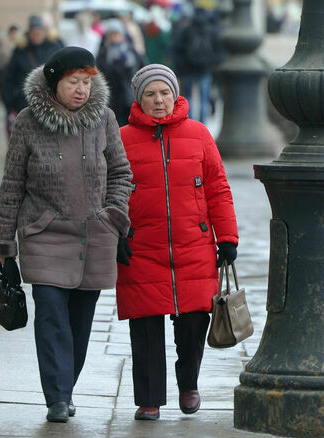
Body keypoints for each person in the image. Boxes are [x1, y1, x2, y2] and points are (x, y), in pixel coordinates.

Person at [0, 46, 133, 423]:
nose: (82, 89)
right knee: (51, 315)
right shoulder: (27, 121)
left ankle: (64, 388)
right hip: (44, 232)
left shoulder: (104, 119)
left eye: (87, 82)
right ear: (55, 82)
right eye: (74, 82)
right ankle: (57, 397)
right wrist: (3, 245)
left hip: (94, 235)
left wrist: (114, 215)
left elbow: (121, 173)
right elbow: (11, 185)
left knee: (80, 323)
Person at [116, 64, 239, 421]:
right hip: (141, 248)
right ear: (139, 98)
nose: (158, 100)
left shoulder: (199, 134)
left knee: (193, 325)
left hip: (194, 246)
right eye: (151, 94)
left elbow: (218, 188)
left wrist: (227, 237)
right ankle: (150, 399)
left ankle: (188, 382)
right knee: (145, 326)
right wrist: (116, 232)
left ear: (175, 95)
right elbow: (111, 191)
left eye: (164, 93)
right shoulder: (122, 138)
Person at [2, 15, 62, 138]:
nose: (36, 36)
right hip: (24, 103)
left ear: (45, 32)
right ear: (28, 33)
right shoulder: (20, 50)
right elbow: (9, 78)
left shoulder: (55, 47)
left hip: (50, 103)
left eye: (39, 32)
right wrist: (10, 103)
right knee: (26, 139)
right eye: (33, 33)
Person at [172, 7, 225, 123]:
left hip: (188, 70)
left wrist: (181, 68)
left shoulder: (187, 30)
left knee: (188, 98)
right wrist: (211, 65)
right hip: (205, 70)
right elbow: (219, 52)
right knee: (204, 99)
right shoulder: (211, 31)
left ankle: (189, 122)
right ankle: (202, 124)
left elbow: (177, 49)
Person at [95, 19, 145, 126]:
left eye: (117, 34)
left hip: (130, 97)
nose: (114, 37)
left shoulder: (132, 53)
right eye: (112, 34)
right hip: (111, 99)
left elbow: (143, 70)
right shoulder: (103, 55)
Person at [0, 24, 19, 115]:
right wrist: (4, 50)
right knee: (5, 98)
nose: (14, 35)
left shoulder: (20, 45)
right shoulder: (2, 43)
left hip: (15, 77)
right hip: (4, 75)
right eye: (12, 33)